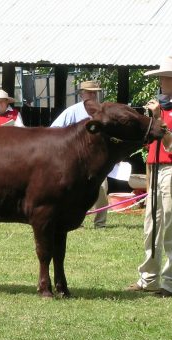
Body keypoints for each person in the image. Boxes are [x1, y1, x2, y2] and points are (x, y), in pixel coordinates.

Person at [126, 56, 172, 297]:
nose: (160, 81)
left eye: (164, 77)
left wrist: (156, 119)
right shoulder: (165, 107)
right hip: (155, 171)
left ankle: (171, 284)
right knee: (151, 227)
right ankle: (149, 279)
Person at [50, 80, 108, 229]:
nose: (93, 95)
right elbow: (54, 129)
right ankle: (76, 221)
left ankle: (100, 223)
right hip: (77, 160)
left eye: (95, 92)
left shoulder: (103, 111)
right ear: (82, 94)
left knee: (102, 188)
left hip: (98, 158)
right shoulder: (73, 111)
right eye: (89, 92)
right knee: (75, 192)